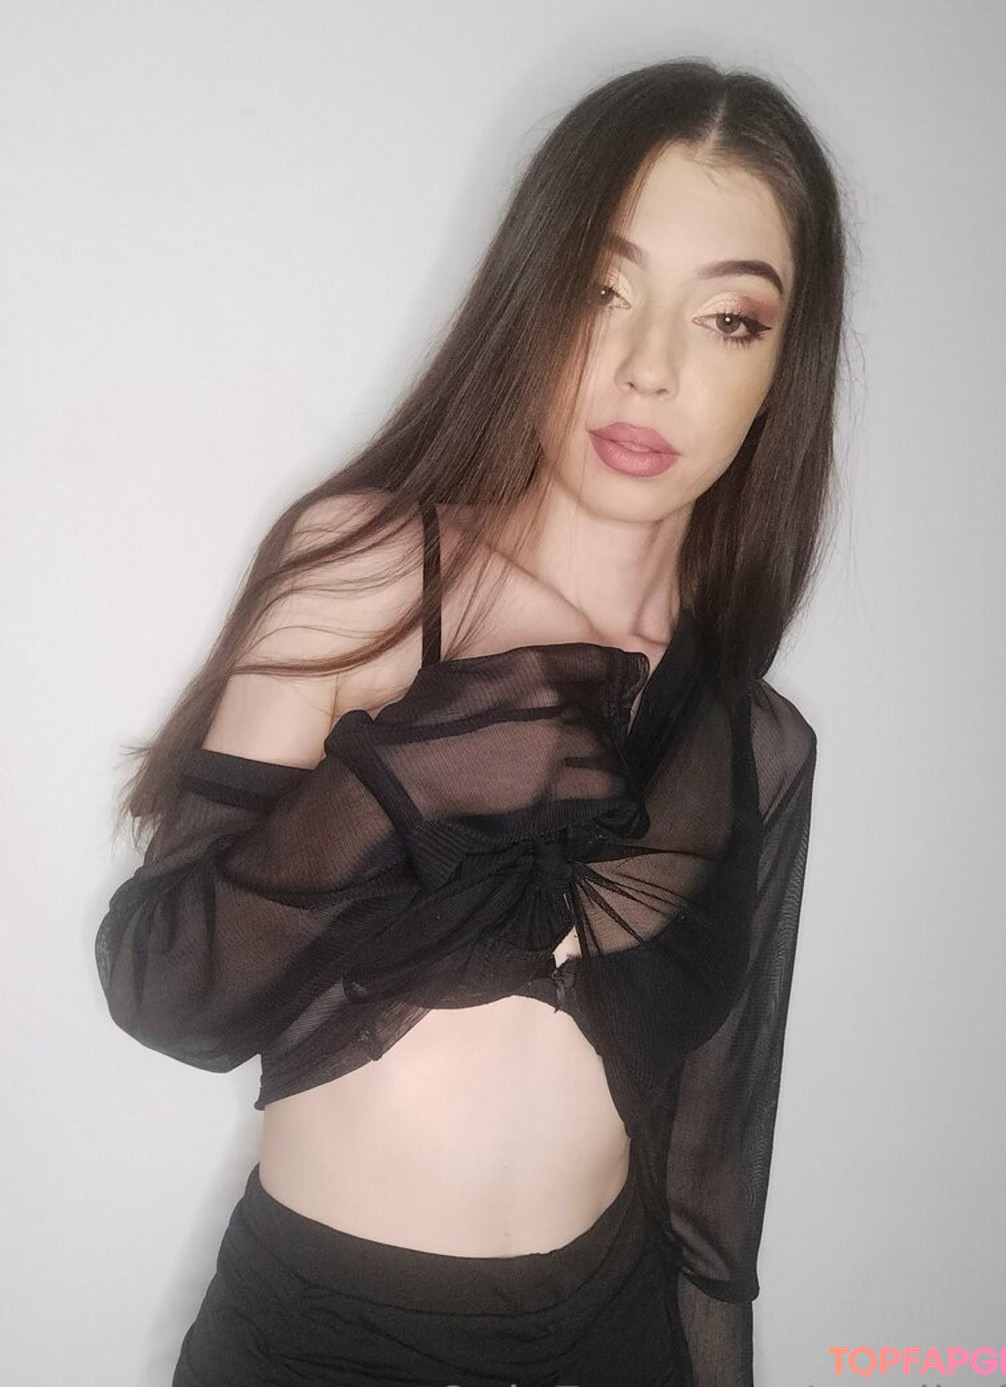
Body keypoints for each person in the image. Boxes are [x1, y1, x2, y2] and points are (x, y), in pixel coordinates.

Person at [95, 56, 847, 1387]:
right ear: (535, 297)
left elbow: (708, 1194)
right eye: (604, 291)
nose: (650, 369)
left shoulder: (751, 739)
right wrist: (404, 783)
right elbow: (167, 991)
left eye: (729, 319)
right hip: (322, 1344)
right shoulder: (366, 577)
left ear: (783, 366)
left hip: (616, 1340)